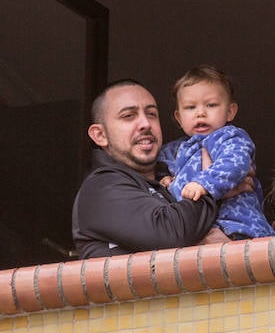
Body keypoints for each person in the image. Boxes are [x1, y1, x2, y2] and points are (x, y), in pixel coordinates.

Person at [71, 79, 224, 258]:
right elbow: (170, 233)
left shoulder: (174, 176)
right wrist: (212, 185)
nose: (145, 124)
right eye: (128, 116)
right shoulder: (99, 187)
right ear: (100, 135)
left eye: (151, 114)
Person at [158, 65, 275, 241]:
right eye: (190, 107)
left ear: (230, 111)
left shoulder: (229, 137)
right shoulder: (173, 150)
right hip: (200, 229)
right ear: (179, 117)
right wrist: (163, 179)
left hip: (237, 225)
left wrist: (204, 183)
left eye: (211, 105)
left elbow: (235, 164)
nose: (200, 113)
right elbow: (159, 167)